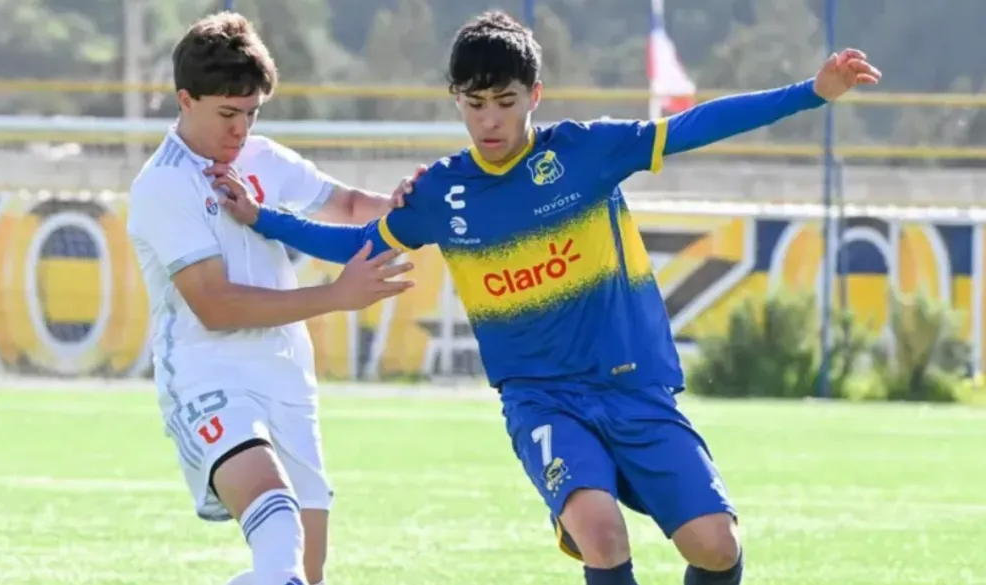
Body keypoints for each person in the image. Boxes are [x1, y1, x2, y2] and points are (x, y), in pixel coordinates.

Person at [214, 10, 881, 585]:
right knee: (601, 531)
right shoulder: (444, 194)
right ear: (455, 101)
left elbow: (698, 125)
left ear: (535, 93)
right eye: (474, 105)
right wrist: (262, 218)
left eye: (504, 101)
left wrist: (812, 93)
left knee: (715, 543)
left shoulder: (588, 152)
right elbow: (360, 242)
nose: (490, 120)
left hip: (634, 385)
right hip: (541, 396)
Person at [125, 11, 420, 585]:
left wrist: (413, 203)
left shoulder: (264, 158)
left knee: (303, 576)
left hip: (287, 377)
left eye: (252, 113)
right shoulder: (164, 185)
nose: (241, 130)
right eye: (227, 114)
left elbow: (353, 207)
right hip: (208, 377)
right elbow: (216, 305)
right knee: (277, 516)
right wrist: (336, 296)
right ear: (185, 100)